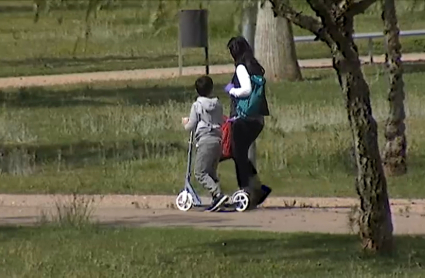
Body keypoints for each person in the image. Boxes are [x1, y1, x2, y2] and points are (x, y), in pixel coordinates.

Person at [224, 36, 272, 208]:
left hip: (242, 119)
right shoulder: (255, 67)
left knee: (238, 155)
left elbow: (246, 90)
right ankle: (257, 187)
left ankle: (246, 189)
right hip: (257, 119)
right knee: (241, 154)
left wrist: (231, 90)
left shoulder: (241, 68)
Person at [182, 75, 229, 212]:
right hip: (217, 140)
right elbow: (221, 121)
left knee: (200, 172)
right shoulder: (218, 104)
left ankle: (218, 194)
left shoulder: (197, 105)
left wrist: (185, 123)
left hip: (205, 140)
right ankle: (217, 198)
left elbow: (191, 125)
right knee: (211, 172)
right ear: (211, 89)